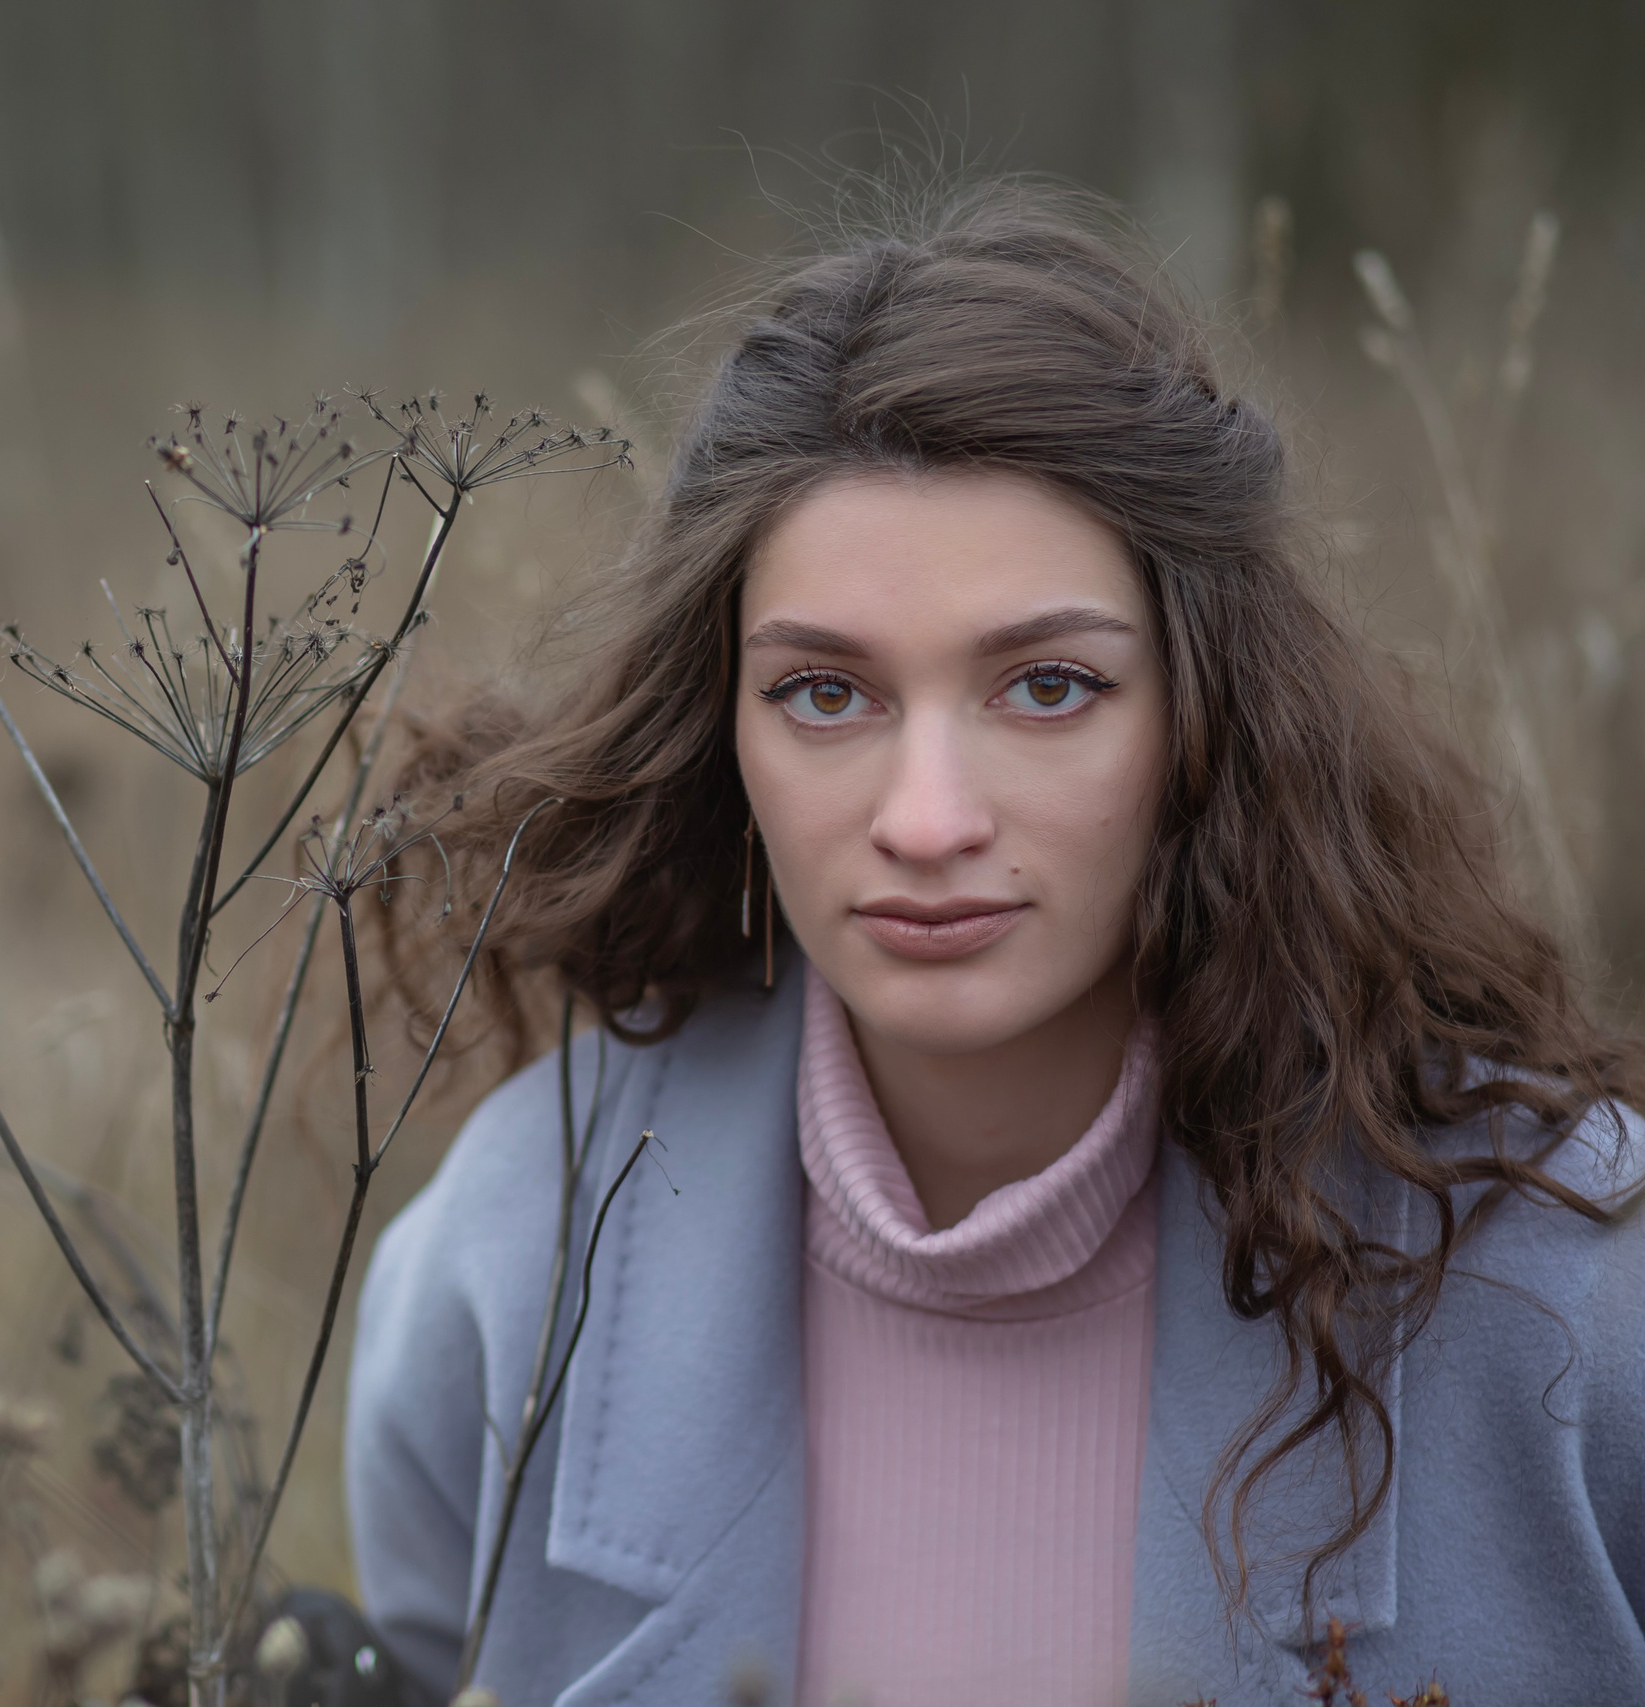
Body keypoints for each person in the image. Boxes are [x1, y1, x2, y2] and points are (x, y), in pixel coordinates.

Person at [341, 180, 1645, 1707]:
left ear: (1208, 723)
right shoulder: (508, 1267)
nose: (928, 816)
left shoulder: (1571, 1285)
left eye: (1047, 688)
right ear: (722, 730)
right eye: (827, 693)